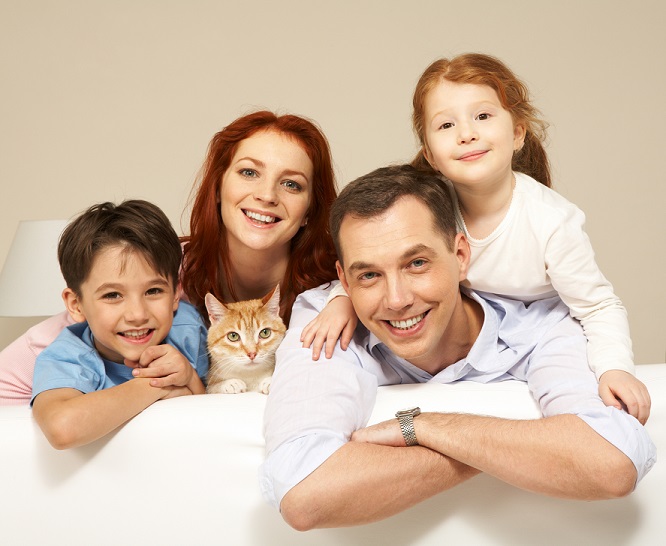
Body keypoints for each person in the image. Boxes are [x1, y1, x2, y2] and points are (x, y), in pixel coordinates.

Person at [260, 165, 656, 530]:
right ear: (344, 283)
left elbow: (611, 463)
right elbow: (304, 494)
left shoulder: (543, 325)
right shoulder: (325, 320)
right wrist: (515, 447)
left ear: (461, 256)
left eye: (416, 263)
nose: (396, 299)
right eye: (369, 275)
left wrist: (422, 426)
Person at [304, 53, 650, 424]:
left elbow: (598, 306)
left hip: (537, 333)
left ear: (517, 133)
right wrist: (341, 299)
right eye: (446, 125)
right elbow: (376, 252)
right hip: (469, 333)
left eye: (482, 116)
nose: (466, 133)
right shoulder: (428, 206)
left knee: (584, 416)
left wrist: (615, 368)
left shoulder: (551, 220)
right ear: (431, 154)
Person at [0, 110, 347, 404]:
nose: (267, 195)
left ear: (309, 211)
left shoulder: (333, 285)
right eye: (249, 172)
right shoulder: (160, 269)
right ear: (217, 188)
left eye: (292, 184)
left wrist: (345, 296)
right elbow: (44, 351)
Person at [32, 200, 209, 449]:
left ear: (176, 295)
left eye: (154, 290)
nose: (137, 314)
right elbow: (62, 429)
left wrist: (190, 377)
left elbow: (212, 414)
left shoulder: (188, 329)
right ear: (76, 304)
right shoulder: (68, 357)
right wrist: (157, 384)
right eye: (112, 295)